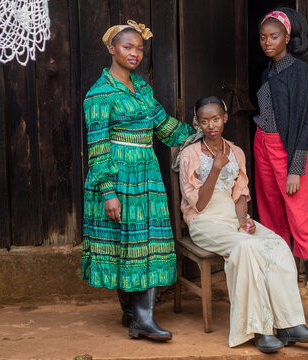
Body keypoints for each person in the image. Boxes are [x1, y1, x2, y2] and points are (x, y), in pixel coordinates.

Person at [174, 96, 308, 353]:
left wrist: (244, 220)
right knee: (246, 248)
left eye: (215, 119)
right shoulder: (190, 154)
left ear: (225, 118)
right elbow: (197, 205)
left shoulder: (236, 152)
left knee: (276, 244)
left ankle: (290, 325)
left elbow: (241, 195)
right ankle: (260, 330)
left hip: (233, 218)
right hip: (205, 221)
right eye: (204, 121)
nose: (210, 125)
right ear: (197, 123)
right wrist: (215, 170)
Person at [82, 20, 194, 341]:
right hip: (118, 178)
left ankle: (137, 316)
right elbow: (98, 148)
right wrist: (108, 192)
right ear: (111, 49)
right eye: (127, 46)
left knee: (148, 243)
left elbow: (164, 125)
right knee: (125, 245)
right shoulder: (99, 94)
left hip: (146, 175)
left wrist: (200, 135)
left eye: (139, 48)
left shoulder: (142, 88)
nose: (135, 53)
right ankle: (137, 317)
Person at [254, 8, 308, 325]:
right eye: (263, 37)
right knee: (273, 221)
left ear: (288, 37)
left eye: (274, 36)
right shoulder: (267, 74)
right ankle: (284, 301)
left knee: (300, 220)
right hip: (262, 145)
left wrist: (295, 167)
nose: (267, 42)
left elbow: (303, 124)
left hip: (286, 153)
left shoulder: (299, 71)